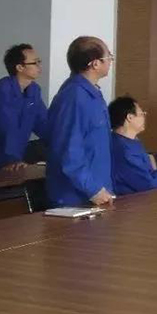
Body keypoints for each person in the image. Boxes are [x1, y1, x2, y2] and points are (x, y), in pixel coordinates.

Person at [45, 36, 114, 207]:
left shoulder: (92, 94)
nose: (111, 61)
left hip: (96, 190)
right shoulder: (75, 97)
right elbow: (70, 150)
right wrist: (93, 189)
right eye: (109, 56)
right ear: (95, 63)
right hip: (77, 196)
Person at [0, 44, 48, 170]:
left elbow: (43, 123)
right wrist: (13, 159)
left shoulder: (34, 90)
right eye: (35, 63)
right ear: (20, 67)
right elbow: (5, 129)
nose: (39, 66)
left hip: (12, 160)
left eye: (39, 62)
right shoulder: (1, 90)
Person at [109, 96, 157, 196]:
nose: (144, 117)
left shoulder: (130, 141)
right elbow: (149, 185)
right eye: (141, 114)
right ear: (130, 117)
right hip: (131, 201)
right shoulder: (124, 150)